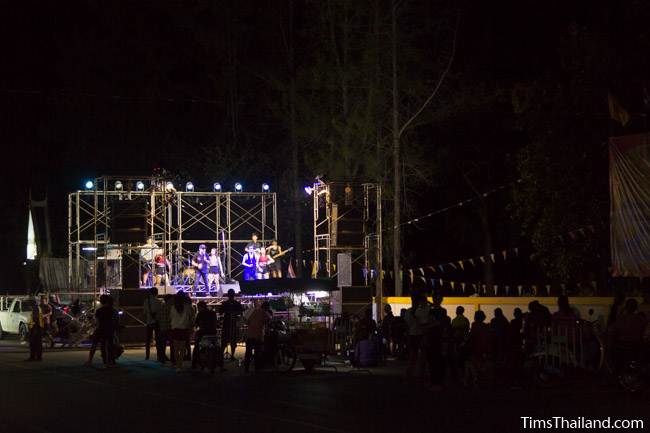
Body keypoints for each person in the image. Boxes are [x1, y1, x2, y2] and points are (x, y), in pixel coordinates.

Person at [86, 295, 118, 368]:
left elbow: (97, 321)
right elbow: (116, 321)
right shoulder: (113, 310)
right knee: (107, 346)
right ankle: (108, 362)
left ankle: (90, 361)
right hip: (109, 329)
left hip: (100, 328)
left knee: (95, 345)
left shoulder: (99, 310)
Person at [425, 295, 449, 391]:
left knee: (436, 361)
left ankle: (436, 382)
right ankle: (436, 382)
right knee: (435, 361)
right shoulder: (440, 311)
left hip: (436, 337)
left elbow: (433, 323)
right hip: (436, 337)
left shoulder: (433, 311)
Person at [464, 310, 492, 387]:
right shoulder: (486, 326)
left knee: (469, 362)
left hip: (475, 348)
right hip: (484, 348)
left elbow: (471, 336)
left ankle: (473, 377)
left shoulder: (474, 325)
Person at [404, 293, 430, 377]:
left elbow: (406, 326)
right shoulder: (423, 311)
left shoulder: (408, 312)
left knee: (413, 355)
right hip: (421, 334)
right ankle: (420, 373)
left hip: (413, 335)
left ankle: (410, 372)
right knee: (422, 355)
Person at [243, 301, 272, 372]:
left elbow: (247, 321)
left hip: (249, 334)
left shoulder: (254, 311)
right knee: (257, 352)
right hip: (258, 335)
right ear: (266, 307)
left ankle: (246, 368)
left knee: (248, 352)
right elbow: (269, 320)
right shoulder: (264, 313)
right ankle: (257, 367)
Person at [169, 294, 193, 372]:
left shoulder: (172, 308)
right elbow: (190, 318)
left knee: (176, 348)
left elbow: (171, 318)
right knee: (182, 348)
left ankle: (177, 365)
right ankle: (180, 364)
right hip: (184, 329)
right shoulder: (187, 308)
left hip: (175, 329)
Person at [192, 301, 218, 369]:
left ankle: (194, 363)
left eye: (198, 308)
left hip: (203, 333)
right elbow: (216, 323)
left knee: (196, 346)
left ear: (200, 307)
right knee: (217, 348)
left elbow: (196, 324)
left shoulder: (200, 313)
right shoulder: (213, 312)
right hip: (213, 333)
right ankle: (220, 364)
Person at [220, 289, 244, 359]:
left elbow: (241, 312)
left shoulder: (236, 304)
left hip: (233, 323)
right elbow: (221, 312)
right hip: (227, 324)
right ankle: (222, 355)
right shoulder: (225, 303)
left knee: (233, 341)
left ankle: (232, 355)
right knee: (225, 340)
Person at [143, 287, 162, 361]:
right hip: (157, 322)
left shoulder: (146, 301)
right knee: (158, 339)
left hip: (149, 322)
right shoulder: (159, 302)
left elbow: (144, 312)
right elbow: (160, 313)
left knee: (148, 340)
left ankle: (147, 356)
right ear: (157, 293)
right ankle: (158, 356)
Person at [157, 294, 173, 364]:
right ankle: (173, 358)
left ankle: (162, 357)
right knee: (172, 344)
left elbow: (158, 317)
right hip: (169, 327)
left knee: (162, 344)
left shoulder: (161, 306)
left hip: (162, 327)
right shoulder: (170, 307)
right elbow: (171, 318)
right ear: (169, 300)